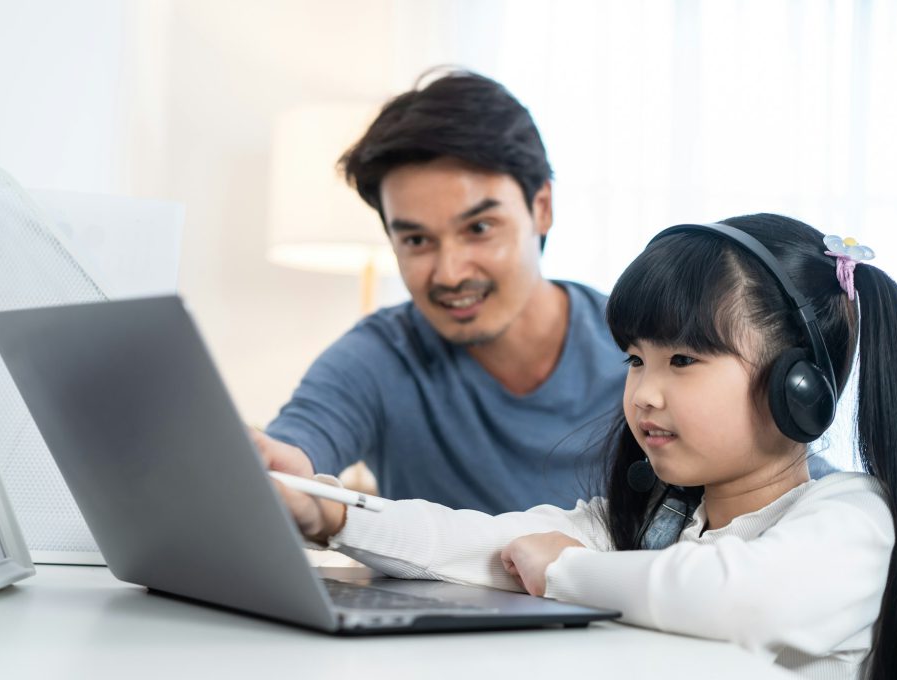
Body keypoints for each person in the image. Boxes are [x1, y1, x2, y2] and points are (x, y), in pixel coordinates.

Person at [260, 213, 897, 679]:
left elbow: (738, 599)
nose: (645, 394)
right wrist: (335, 516)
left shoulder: (850, 518)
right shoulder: (655, 523)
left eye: (682, 361)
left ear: (799, 389)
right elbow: (487, 544)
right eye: (634, 360)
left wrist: (565, 572)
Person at [255, 70, 626, 513]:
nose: (449, 274)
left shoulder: (641, 353)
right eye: (416, 241)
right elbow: (299, 445)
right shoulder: (382, 355)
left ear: (541, 208)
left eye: (479, 228)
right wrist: (282, 473)